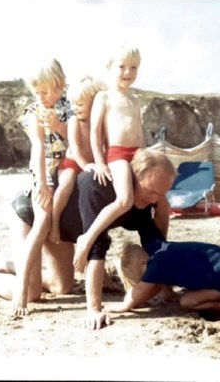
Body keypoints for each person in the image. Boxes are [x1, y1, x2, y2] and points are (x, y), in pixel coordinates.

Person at [0, 148, 175, 325]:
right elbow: (95, 246)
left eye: (161, 193)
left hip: (61, 232)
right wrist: (94, 309)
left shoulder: (145, 199)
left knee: (62, 287)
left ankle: (6, 264)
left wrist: (166, 284)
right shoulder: (99, 185)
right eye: (152, 191)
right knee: (31, 293)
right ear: (132, 176)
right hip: (33, 214)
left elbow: (152, 238)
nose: (155, 199)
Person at [73, 44, 146, 273]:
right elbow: (96, 132)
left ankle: (159, 253)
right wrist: (100, 162)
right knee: (124, 199)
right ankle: (88, 238)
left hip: (138, 153)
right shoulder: (104, 97)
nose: (128, 72)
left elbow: (140, 131)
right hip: (118, 153)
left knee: (161, 202)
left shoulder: (134, 100)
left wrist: (147, 157)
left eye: (133, 67)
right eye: (122, 67)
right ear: (109, 67)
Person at [11, 57, 72, 315]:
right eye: (37, 92)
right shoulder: (34, 111)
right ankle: (17, 287)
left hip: (67, 174)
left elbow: (79, 142)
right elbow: (38, 149)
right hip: (45, 173)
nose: (41, 97)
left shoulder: (71, 108)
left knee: (64, 287)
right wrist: (41, 184)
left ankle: (10, 265)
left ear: (59, 85)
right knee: (43, 219)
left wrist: (59, 126)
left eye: (45, 91)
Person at [48, 76, 107, 244]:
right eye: (73, 104)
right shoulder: (74, 121)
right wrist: (85, 165)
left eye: (80, 104)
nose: (75, 108)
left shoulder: (100, 123)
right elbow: (75, 149)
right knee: (66, 184)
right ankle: (54, 222)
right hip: (73, 164)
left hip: (91, 164)